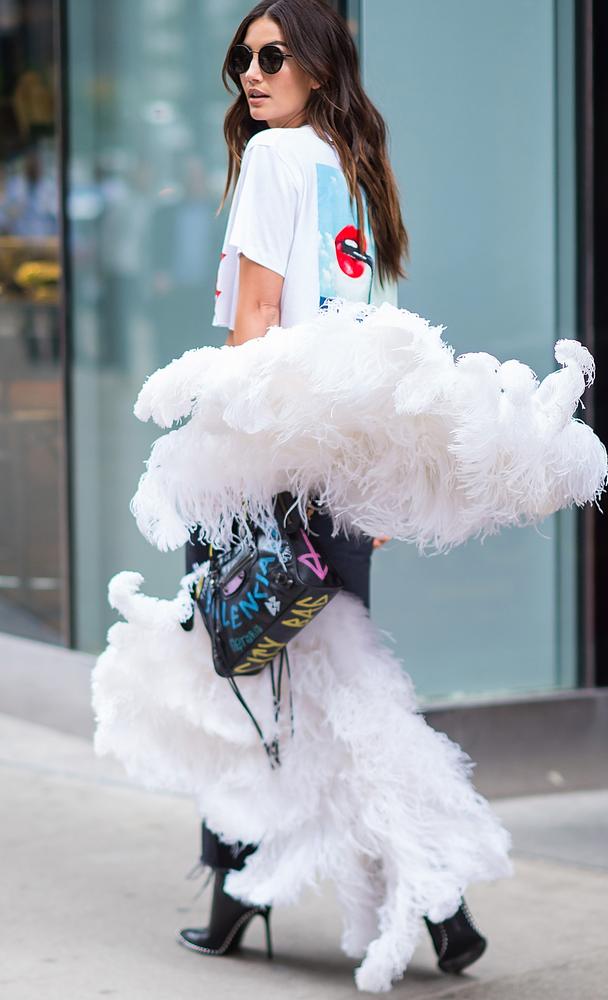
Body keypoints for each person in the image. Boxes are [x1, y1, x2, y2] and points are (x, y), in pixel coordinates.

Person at [177, 0, 489, 977]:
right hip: (338, 477)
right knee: (331, 686)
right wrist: (379, 484)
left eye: (271, 55)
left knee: (242, 677)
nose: (251, 73)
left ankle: (275, 886)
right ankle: (421, 901)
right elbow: (379, 347)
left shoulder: (275, 162)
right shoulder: (358, 170)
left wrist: (214, 458)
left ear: (316, 63)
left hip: (273, 469)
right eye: (241, 57)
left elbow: (257, 321)